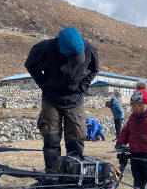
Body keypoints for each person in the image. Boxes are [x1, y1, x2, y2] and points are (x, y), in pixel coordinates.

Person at [25, 27, 99, 173]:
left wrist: (83, 86)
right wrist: (44, 83)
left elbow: (94, 69)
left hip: (75, 100)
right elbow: (30, 65)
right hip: (51, 99)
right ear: (60, 47)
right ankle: (52, 174)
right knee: (51, 138)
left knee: (76, 138)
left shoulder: (89, 48)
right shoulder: (44, 48)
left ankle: (74, 173)